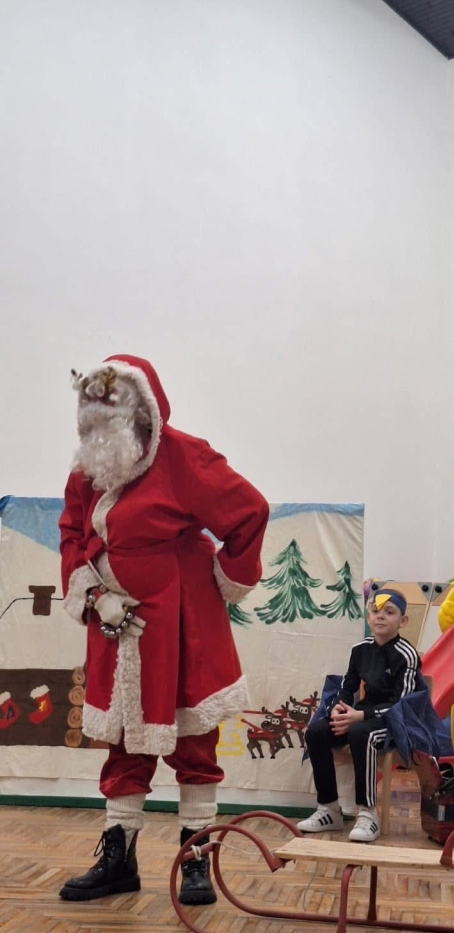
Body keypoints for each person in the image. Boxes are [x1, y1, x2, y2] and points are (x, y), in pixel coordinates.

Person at [59, 355, 269, 905]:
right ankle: (118, 860)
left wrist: (223, 577)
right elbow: (72, 532)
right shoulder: (88, 466)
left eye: (108, 413)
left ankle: (196, 858)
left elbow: (250, 512)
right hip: (117, 625)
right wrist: (95, 596)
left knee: (193, 741)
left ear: (141, 411)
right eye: (90, 415)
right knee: (123, 742)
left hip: (182, 620)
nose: (96, 426)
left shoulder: (186, 456)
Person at [298, 588, 419, 843]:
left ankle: (367, 812)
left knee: (360, 733)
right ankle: (329, 809)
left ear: (403, 620)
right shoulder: (360, 650)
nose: (380, 616)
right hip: (361, 714)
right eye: (375, 611)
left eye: (389, 612)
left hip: (393, 721)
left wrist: (360, 716)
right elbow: (347, 688)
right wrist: (338, 709)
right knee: (317, 731)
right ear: (368, 617)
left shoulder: (407, 655)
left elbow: (402, 704)